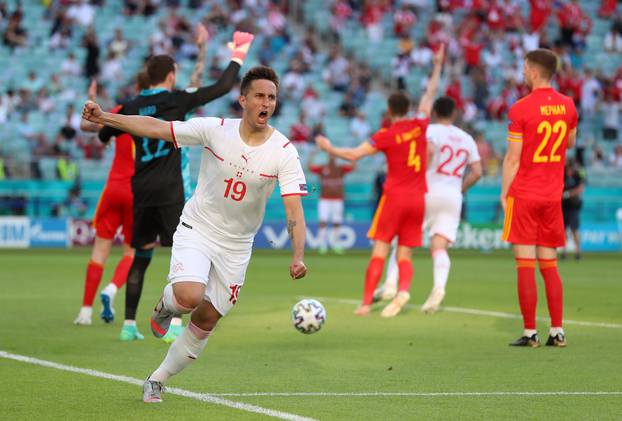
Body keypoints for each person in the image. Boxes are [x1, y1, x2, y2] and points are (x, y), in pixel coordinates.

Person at [82, 65, 308, 403]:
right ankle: (166, 305)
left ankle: (157, 379)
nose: (266, 103)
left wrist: (298, 255)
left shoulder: (284, 151)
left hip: (236, 247)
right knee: (188, 297)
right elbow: (156, 128)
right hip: (198, 229)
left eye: (272, 97)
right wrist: (106, 119)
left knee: (205, 320)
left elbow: (294, 209)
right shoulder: (215, 130)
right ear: (243, 99)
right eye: (259, 95)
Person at [97, 29, 253, 342]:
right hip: (170, 190)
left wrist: (97, 118)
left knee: (140, 256)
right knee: (183, 255)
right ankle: (176, 325)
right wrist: (239, 52)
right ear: (170, 75)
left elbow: (103, 133)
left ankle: (129, 326)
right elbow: (222, 87)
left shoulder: (131, 104)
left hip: (140, 190)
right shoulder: (177, 100)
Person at [316, 44, 445, 318]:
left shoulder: (385, 135)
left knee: (380, 250)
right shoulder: (420, 124)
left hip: (395, 198)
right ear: (409, 108)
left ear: (388, 110)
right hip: (418, 199)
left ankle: (364, 303)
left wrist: (329, 148)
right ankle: (403, 290)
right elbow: (430, 94)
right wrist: (436, 65)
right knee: (405, 254)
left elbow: (354, 154)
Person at [375, 96, 482, 313]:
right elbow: (478, 172)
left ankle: (390, 285)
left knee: (402, 240)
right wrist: (459, 189)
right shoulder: (466, 138)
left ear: (433, 112)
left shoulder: (429, 131)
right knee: (439, 246)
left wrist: (418, 172)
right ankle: (439, 287)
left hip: (426, 190)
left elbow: (429, 151)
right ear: (454, 114)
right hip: (452, 196)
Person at [501, 48, 578, 348]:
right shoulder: (568, 104)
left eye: (524, 67)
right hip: (551, 196)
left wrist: (504, 193)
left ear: (534, 71)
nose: (522, 72)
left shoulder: (520, 108)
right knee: (550, 265)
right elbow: (569, 141)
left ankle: (530, 332)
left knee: (524, 264)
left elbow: (512, 159)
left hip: (525, 193)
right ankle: (557, 331)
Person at [73, 77, 145, 327]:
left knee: (100, 250)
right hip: (137, 193)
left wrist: (91, 98)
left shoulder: (118, 114)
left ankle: (85, 311)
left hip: (113, 188)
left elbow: (86, 125)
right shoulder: (156, 118)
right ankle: (112, 288)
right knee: (131, 252)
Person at [307, 148, 354, 254]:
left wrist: (352, 156)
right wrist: (312, 155)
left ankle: (336, 243)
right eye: (331, 155)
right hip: (324, 199)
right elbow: (310, 167)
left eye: (334, 155)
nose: (332, 157)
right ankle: (322, 244)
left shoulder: (340, 168)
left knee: (337, 222)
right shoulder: (323, 168)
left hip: (338, 199)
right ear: (328, 156)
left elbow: (353, 167)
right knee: (323, 221)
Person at [561, 158, 585, 260]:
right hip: (563, 206)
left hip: (573, 207)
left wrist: (568, 194)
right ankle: (564, 252)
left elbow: (580, 188)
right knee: (563, 230)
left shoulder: (577, 175)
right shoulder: (562, 175)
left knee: (575, 229)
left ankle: (578, 252)